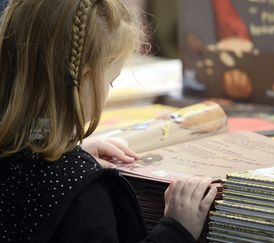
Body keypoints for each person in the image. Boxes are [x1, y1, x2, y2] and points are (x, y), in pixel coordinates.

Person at [0, 0, 217, 242]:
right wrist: (177, 230)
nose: (108, 90)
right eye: (110, 81)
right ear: (84, 80)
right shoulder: (84, 194)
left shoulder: (13, 149)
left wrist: (67, 149)